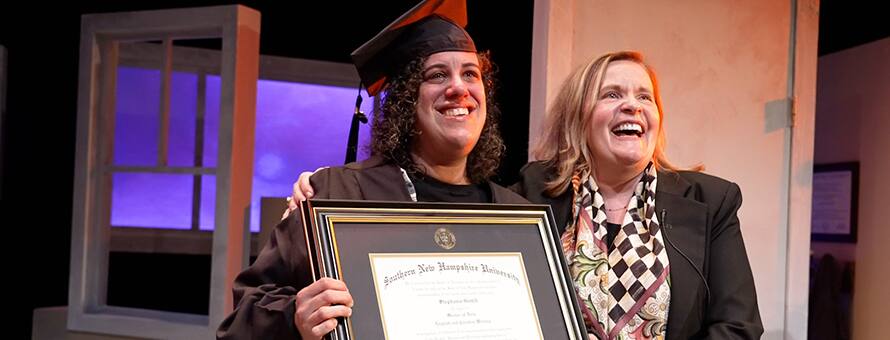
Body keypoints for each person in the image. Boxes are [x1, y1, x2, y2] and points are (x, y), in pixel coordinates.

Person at [292, 51, 764, 339]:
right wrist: (325, 183)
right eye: (611, 94)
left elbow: (737, 327)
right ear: (579, 117)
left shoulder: (712, 201)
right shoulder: (532, 196)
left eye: (645, 97)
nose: (631, 105)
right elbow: (445, 218)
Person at [215, 1, 529, 339]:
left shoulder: (517, 217)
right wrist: (294, 317)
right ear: (406, 100)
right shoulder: (337, 196)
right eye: (437, 75)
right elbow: (239, 324)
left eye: (471, 74)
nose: (459, 88)